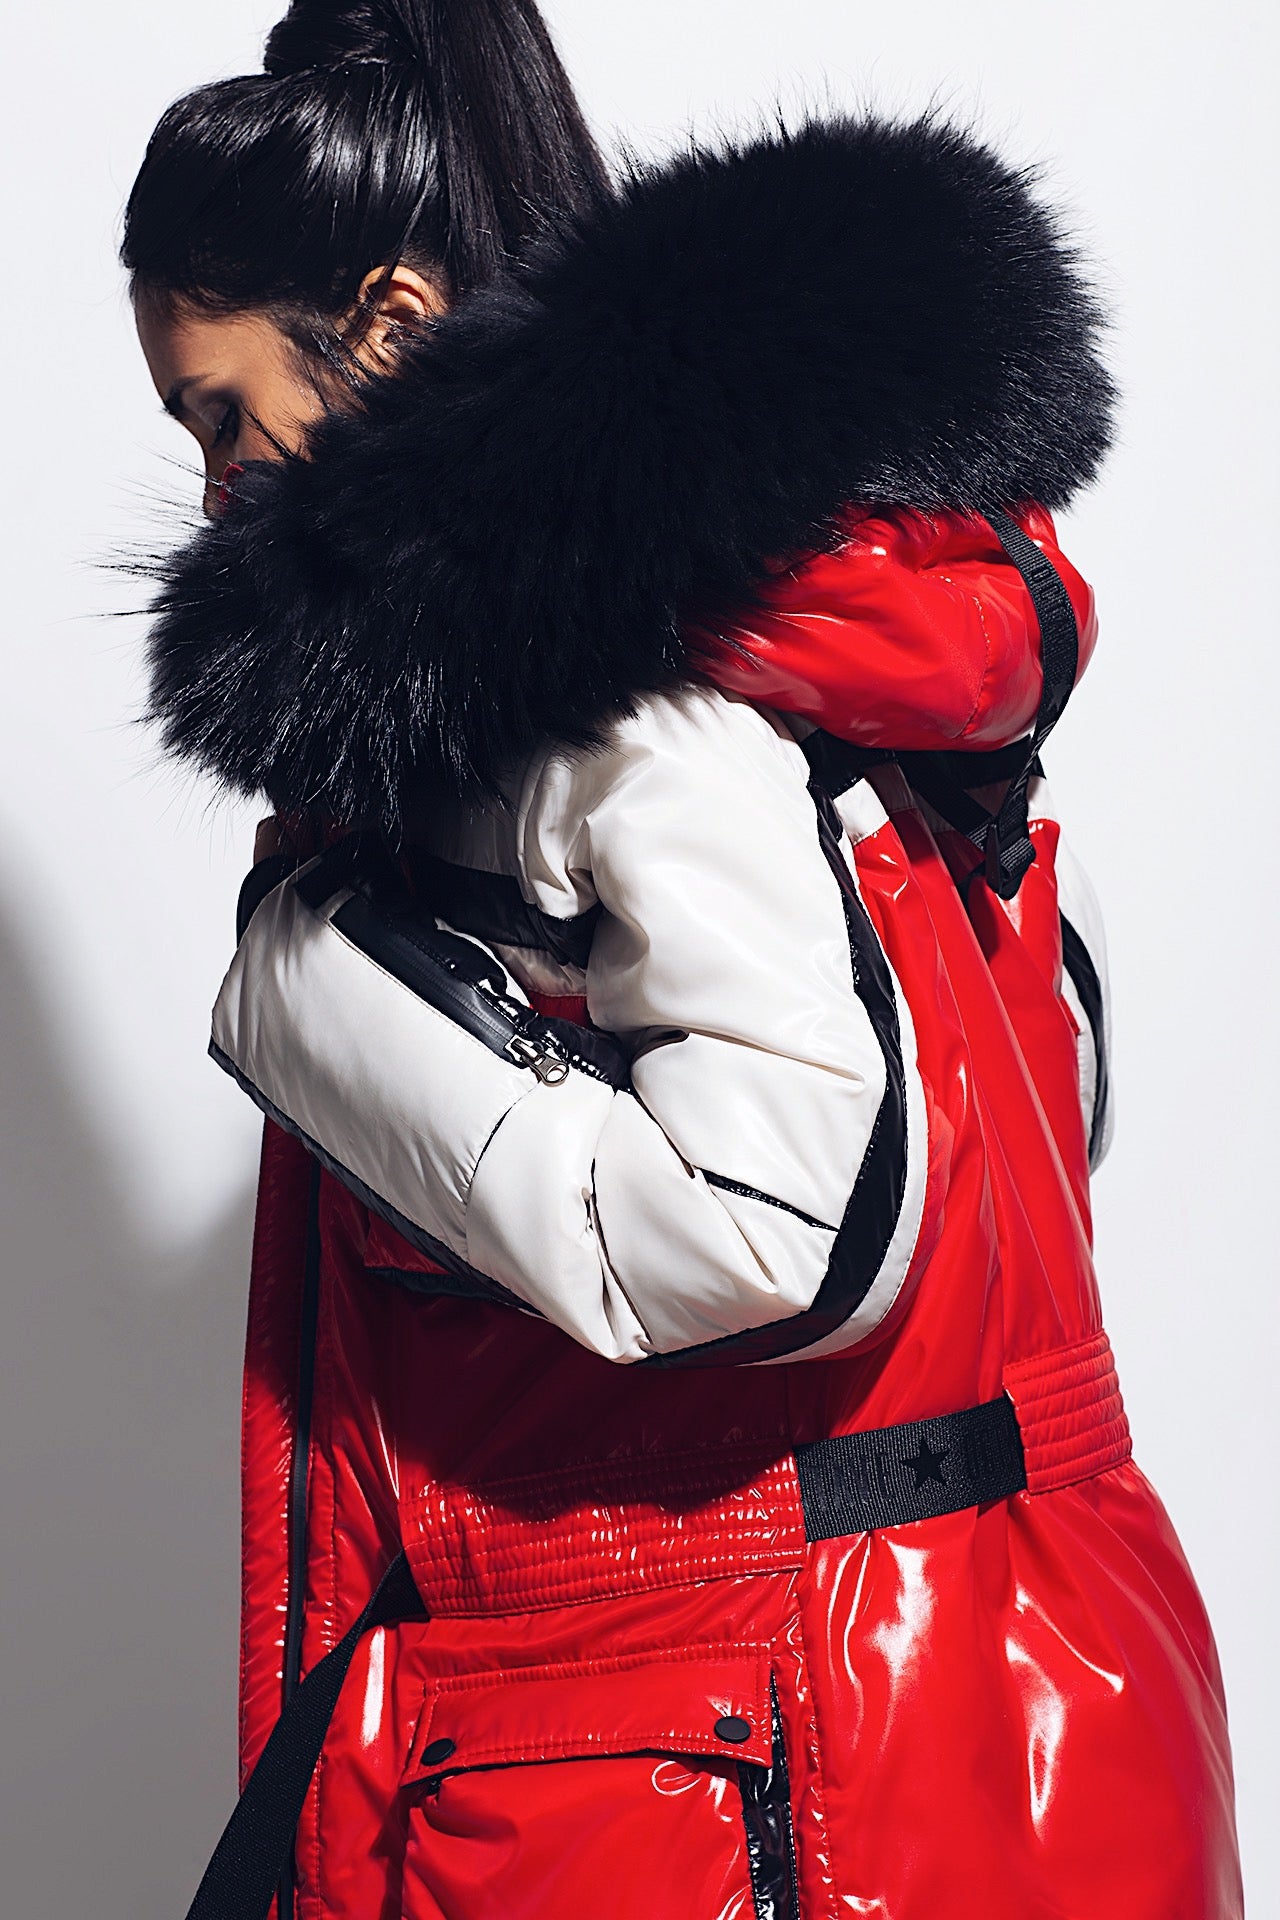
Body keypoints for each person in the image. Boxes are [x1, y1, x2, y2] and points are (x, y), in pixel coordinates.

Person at [123, 1, 1243, 1915]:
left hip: (756, 1771)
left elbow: (785, 1219)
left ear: (390, 326)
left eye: (224, 414)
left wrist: (309, 992)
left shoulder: (618, 699)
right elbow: (1039, 1089)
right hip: (1018, 1688)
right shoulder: (817, 628)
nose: (221, 491)